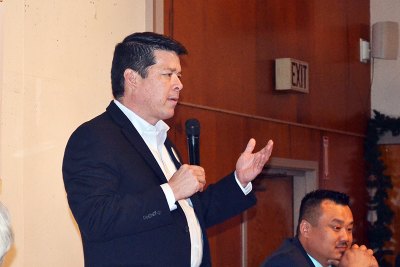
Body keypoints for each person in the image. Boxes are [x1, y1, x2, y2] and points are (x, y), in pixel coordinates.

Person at [62, 31, 274, 267]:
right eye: (167, 74)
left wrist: (239, 180)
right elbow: (96, 219)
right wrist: (170, 192)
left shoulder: (162, 141)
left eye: (179, 75)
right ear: (132, 78)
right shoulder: (95, 138)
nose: (179, 84)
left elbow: (190, 214)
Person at [261, 189, 378, 267]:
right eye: (337, 227)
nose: (346, 238)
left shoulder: (338, 263)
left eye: (349, 229)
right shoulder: (283, 263)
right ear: (306, 229)